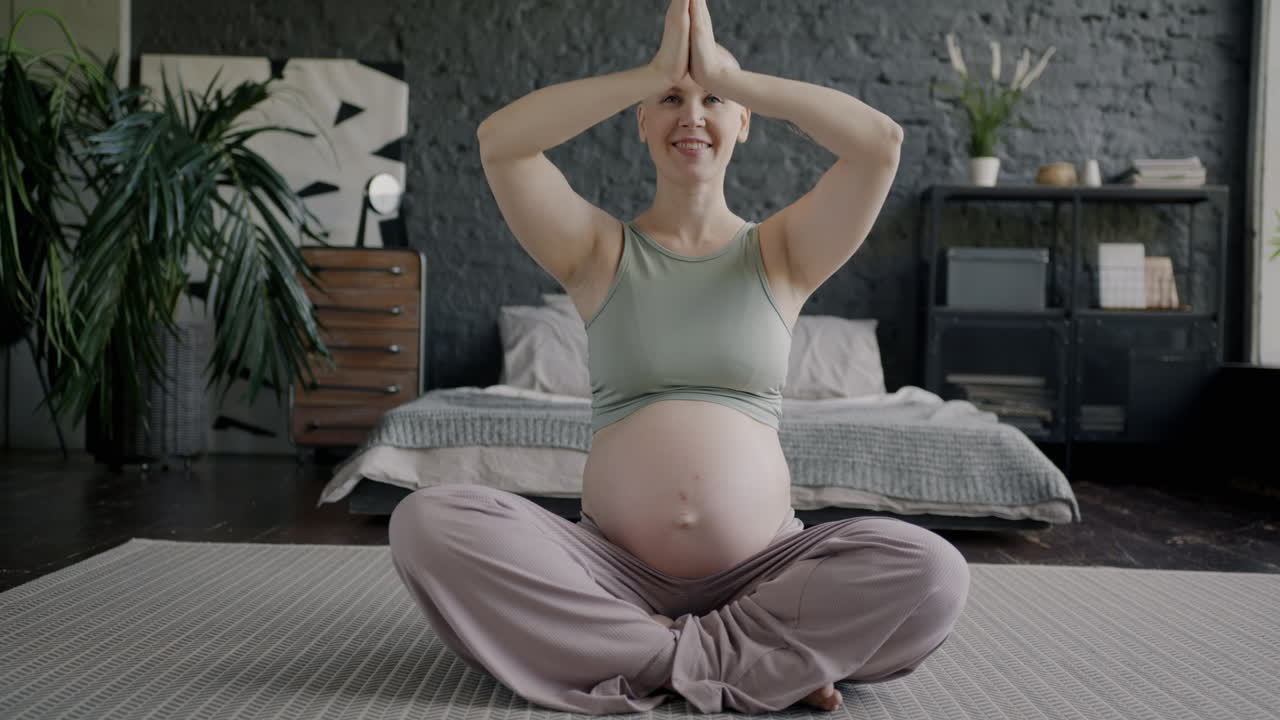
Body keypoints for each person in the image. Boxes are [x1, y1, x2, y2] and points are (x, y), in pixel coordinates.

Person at [388, 0, 970, 713]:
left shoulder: (782, 253)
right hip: (608, 571)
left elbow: (878, 143)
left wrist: (732, 73)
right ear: (640, 119)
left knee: (934, 572)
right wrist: (651, 71)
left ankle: (649, 650)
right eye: (670, 101)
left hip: (767, 574)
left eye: (714, 102)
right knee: (427, 521)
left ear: (744, 121)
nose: (691, 115)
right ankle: (752, 664)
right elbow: (501, 141)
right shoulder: (597, 252)